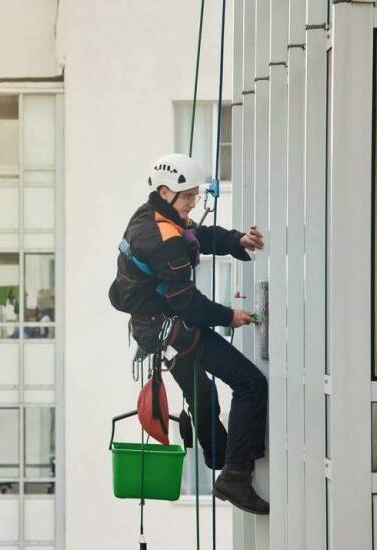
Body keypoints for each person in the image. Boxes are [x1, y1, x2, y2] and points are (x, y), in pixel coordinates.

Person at [109, 152, 270, 515]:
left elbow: (197, 235)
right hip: (171, 328)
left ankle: (221, 458)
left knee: (203, 393)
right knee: (250, 383)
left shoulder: (151, 214)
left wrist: (237, 241)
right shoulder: (164, 238)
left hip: (154, 329)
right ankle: (235, 474)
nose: (193, 203)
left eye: (196, 195)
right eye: (188, 198)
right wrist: (230, 315)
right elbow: (188, 303)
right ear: (166, 192)